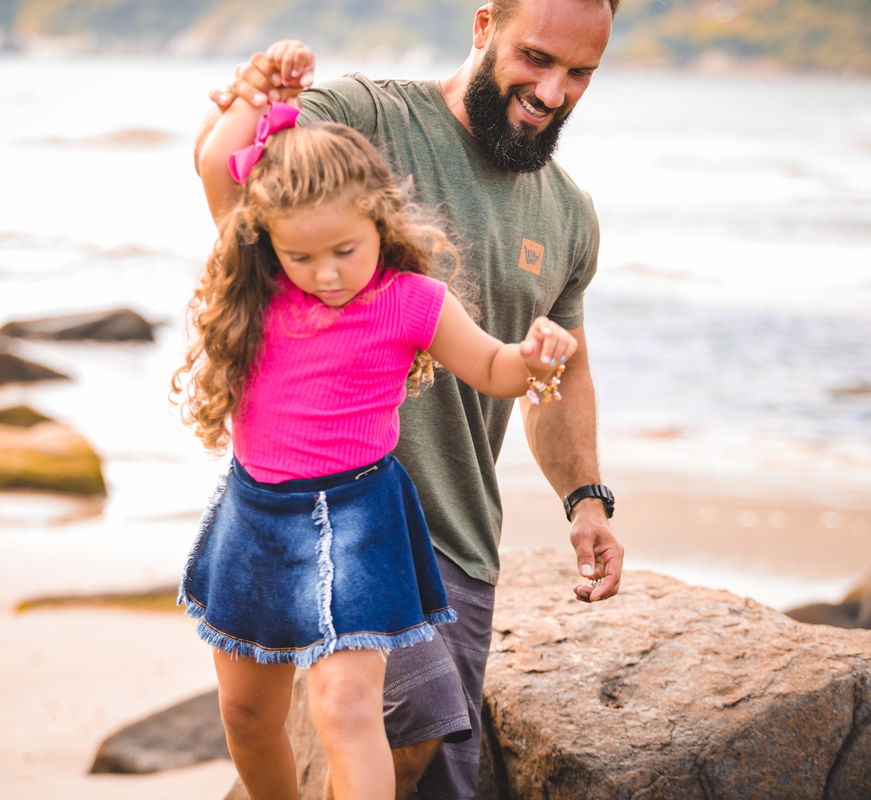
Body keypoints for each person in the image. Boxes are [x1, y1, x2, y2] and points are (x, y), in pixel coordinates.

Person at [197, 1, 626, 797]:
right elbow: (233, 175)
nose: (554, 91)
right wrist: (256, 89)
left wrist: (587, 500)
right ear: (484, 24)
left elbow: (552, 374)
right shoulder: (368, 117)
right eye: (536, 57)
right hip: (317, 505)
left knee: (437, 776)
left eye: (580, 74)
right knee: (408, 717)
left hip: (458, 540)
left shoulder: (569, 216)